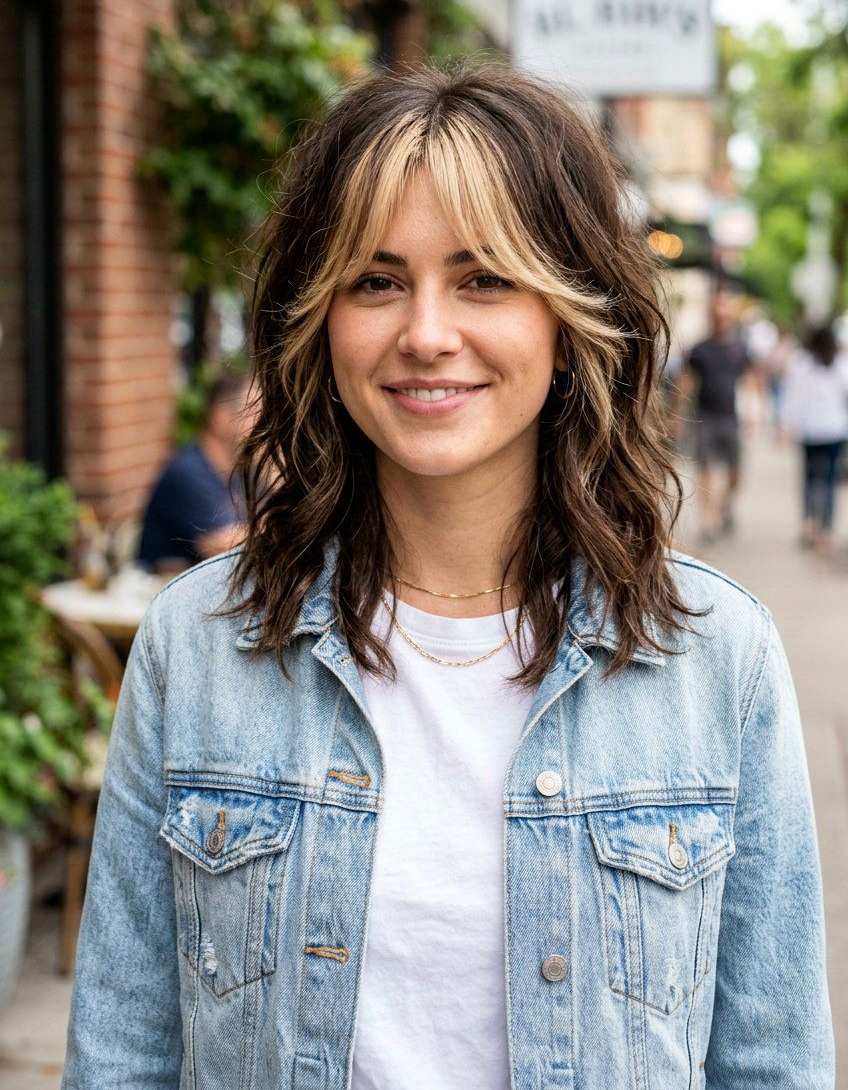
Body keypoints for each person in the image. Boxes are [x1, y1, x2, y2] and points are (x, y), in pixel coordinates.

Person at [62, 66, 833, 1089]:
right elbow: (122, 1057)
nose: (426, 332)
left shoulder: (711, 653)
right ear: (319, 319)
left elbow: (770, 1061)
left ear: (567, 320)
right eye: (375, 280)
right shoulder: (198, 641)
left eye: (483, 278)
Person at [136, 370, 256, 572]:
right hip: (161, 591)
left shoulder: (241, 470)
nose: (264, 423)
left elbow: (275, 516)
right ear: (221, 417)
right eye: (255, 411)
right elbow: (224, 547)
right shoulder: (187, 471)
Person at [676, 292, 755, 545]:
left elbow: (752, 380)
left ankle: (725, 504)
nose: (721, 318)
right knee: (706, 468)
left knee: (735, 472)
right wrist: (677, 414)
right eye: (716, 314)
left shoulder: (740, 348)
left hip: (732, 418)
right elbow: (686, 381)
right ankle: (709, 519)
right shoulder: (700, 349)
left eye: (725, 314)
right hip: (705, 417)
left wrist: (755, 413)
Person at [780, 324, 848, 558]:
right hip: (834, 430)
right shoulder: (838, 363)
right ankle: (826, 529)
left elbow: (794, 396)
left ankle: (809, 524)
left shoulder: (802, 361)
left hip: (810, 430)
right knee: (829, 480)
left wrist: (788, 424)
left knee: (809, 477)